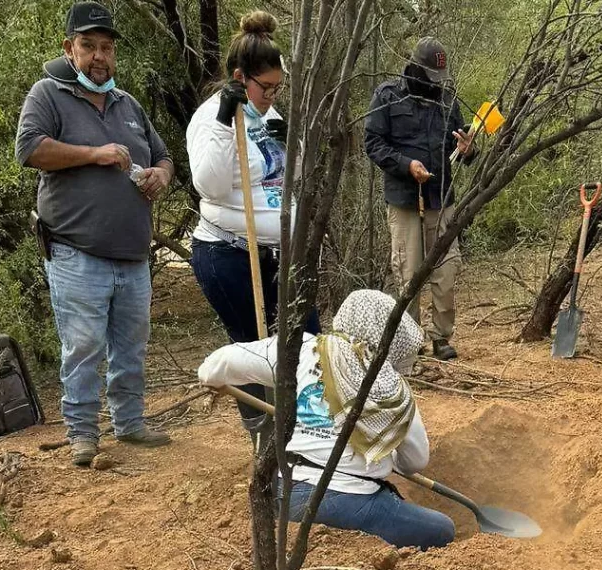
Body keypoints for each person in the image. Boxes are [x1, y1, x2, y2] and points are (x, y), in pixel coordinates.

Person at [15, 2, 175, 466]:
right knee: (83, 346)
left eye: (106, 47)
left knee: (131, 344)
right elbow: (30, 149)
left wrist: (161, 176)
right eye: (89, 46)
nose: (99, 56)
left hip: (132, 254)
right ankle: (82, 434)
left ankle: (129, 424)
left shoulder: (129, 105)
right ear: (70, 49)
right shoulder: (48, 93)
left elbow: (164, 157)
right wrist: (94, 153)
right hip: (75, 250)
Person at [198, 290, 455, 550]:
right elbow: (415, 462)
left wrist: (214, 380)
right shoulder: (394, 391)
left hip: (281, 490)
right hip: (348, 504)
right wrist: (382, 451)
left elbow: (211, 368)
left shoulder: (303, 349)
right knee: (443, 529)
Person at [186, 10, 320, 453]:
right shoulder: (210, 118)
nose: (272, 95)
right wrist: (227, 121)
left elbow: (290, 175)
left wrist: (290, 142)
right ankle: (269, 450)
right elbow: (210, 184)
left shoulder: (269, 112)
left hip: (278, 253)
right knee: (254, 352)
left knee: (309, 343)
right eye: (267, 87)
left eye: (279, 87)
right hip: (229, 255)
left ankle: (312, 438)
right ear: (241, 78)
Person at [365, 37, 476, 362]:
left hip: (441, 199)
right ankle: (410, 343)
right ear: (415, 67)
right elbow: (372, 142)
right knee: (408, 273)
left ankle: (441, 338)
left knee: (446, 271)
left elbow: (463, 149)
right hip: (404, 201)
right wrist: (406, 166)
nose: (435, 83)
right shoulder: (387, 96)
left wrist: (469, 149)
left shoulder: (448, 100)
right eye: (430, 75)